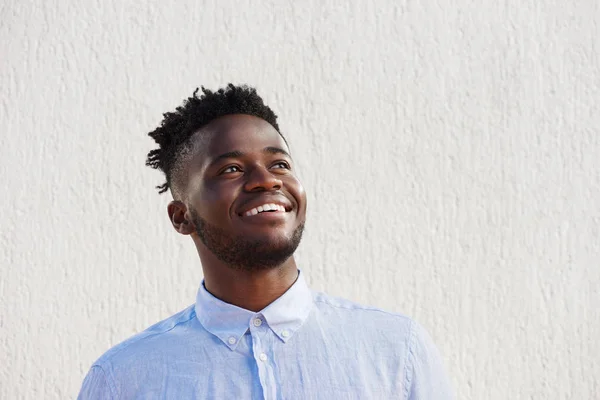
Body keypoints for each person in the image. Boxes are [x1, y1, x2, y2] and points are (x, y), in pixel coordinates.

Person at [78, 84, 453, 399]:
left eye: (280, 164)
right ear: (182, 216)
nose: (267, 180)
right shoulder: (122, 380)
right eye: (231, 169)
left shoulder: (397, 352)